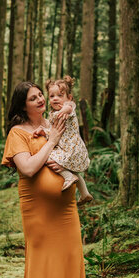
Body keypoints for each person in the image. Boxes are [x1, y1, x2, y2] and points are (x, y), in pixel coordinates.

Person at [1, 81, 99, 278]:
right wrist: (51, 141)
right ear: (23, 105)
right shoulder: (17, 133)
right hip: (39, 212)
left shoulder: (58, 120)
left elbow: (74, 149)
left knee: (69, 264)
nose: (41, 99)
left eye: (41, 95)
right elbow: (29, 168)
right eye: (34, 98)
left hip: (66, 208)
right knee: (45, 267)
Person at [45, 76, 94, 205]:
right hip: (70, 148)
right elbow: (53, 132)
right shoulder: (52, 114)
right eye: (52, 96)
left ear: (69, 97)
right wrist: (43, 131)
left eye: (60, 95)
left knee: (46, 157)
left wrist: (66, 107)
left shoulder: (67, 110)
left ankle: (68, 177)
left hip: (71, 149)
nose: (55, 98)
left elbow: (70, 108)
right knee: (75, 171)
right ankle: (85, 194)